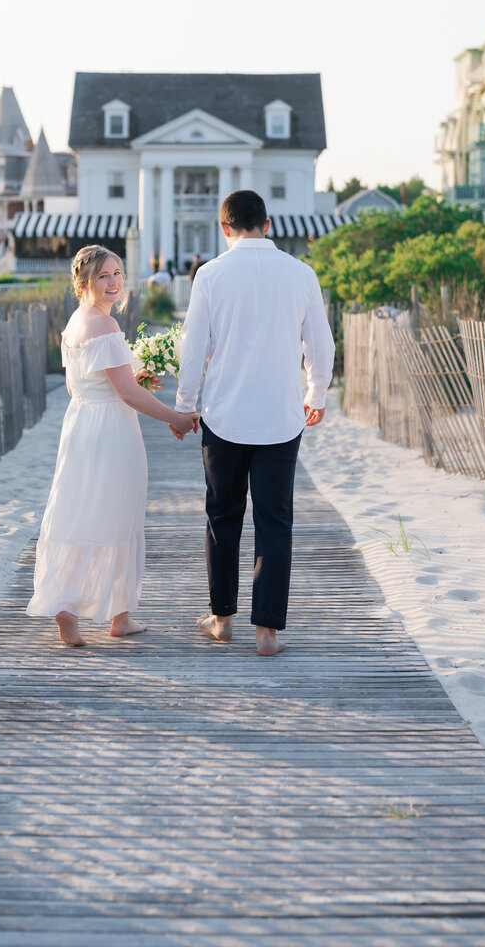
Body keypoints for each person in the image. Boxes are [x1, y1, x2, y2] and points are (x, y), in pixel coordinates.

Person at [174, 190, 334, 657]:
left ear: (225, 229)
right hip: (283, 416)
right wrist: (316, 394)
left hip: (224, 416)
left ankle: (222, 619)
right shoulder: (302, 274)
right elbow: (319, 346)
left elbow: (193, 344)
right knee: (275, 520)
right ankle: (266, 632)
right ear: (267, 224)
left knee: (223, 517)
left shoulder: (210, 274)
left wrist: (185, 404)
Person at [26, 245, 199, 646]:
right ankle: (110, 615)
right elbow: (127, 394)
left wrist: (130, 378)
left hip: (82, 424)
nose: (114, 282)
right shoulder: (105, 328)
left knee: (80, 509)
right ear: (84, 282)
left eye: (118, 273)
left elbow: (76, 385)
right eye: (104, 276)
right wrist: (174, 416)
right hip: (112, 431)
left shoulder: (75, 323)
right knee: (118, 512)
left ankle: (81, 607)